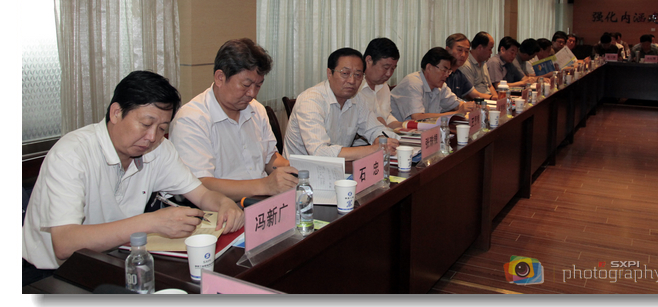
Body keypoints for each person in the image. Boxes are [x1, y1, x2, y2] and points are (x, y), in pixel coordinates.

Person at [22, 71, 244, 274]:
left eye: (162, 128)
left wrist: (224, 203)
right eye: (146, 124)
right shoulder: (71, 153)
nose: (152, 137)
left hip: (113, 260)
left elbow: (202, 195)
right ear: (116, 113)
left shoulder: (159, 149)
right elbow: (64, 244)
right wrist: (151, 222)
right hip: (50, 274)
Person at [169, 39, 299, 202]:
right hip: (222, 209)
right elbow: (200, 185)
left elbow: (270, 158)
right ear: (220, 78)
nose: (252, 93)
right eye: (246, 85)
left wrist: (298, 171)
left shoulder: (256, 109)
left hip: (263, 203)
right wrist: (264, 185)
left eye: (258, 86)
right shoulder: (191, 119)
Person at [283, 47, 399, 161]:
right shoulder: (310, 101)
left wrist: (381, 139)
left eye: (358, 75)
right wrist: (374, 149)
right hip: (302, 171)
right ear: (329, 73)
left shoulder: (358, 99)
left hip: (339, 167)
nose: (352, 81)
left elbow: (376, 129)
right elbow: (319, 152)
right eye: (345, 73)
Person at [391, 47, 476, 121]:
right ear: (429, 68)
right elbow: (417, 117)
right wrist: (456, 113)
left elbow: (456, 104)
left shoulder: (440, 86)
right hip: (394, 131)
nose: (447, 75)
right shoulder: (413, 82)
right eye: (444, 70)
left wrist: (468, 106)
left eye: (448, 71)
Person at [357, 37, 402, 130]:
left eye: (393, 68)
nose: (389, 74)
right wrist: (374, 124)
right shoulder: (354, 87)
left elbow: (386, 117)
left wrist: (403, 126)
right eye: (386, 68)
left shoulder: (384, 86)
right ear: (369, 60)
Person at [445, 33, 493, 100]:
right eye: (459, 50)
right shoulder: (441, 74)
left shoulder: (459, 74)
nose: (463, 55)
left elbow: (475, 94)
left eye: (466, 51)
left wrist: (495, 98)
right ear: (448, 50)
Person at [460, 32, 499, 100]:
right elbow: (469, 94)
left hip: (489, 99)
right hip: (478, 101)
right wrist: (492, 98)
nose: (491, 52)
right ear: (480, 48)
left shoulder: (483, 62)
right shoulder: (465, 65)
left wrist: (498, 99)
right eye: (490, 49)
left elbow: (490, 86)